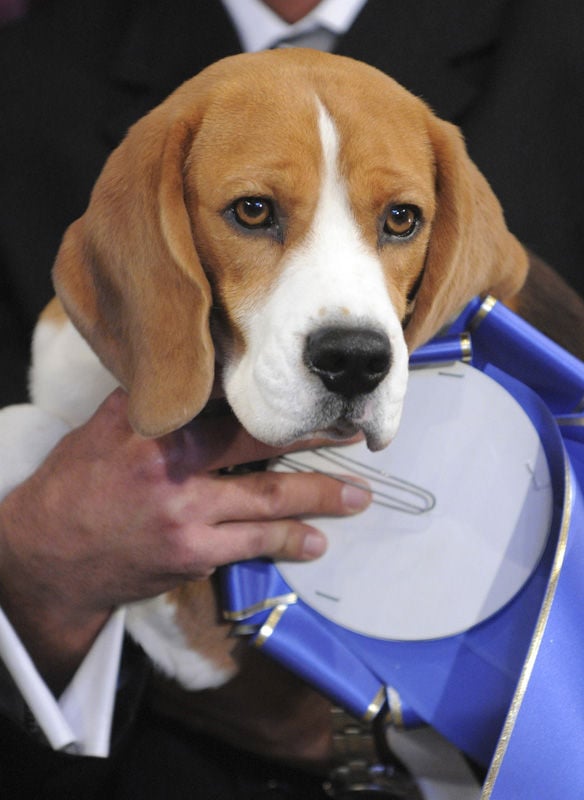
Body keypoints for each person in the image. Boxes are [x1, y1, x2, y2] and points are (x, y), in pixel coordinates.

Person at [0, 1, 583, 797]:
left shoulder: (561, 45)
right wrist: (35, 571)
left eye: (400, 218)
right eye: (255, 211)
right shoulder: (25, 79)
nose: (353, 332)